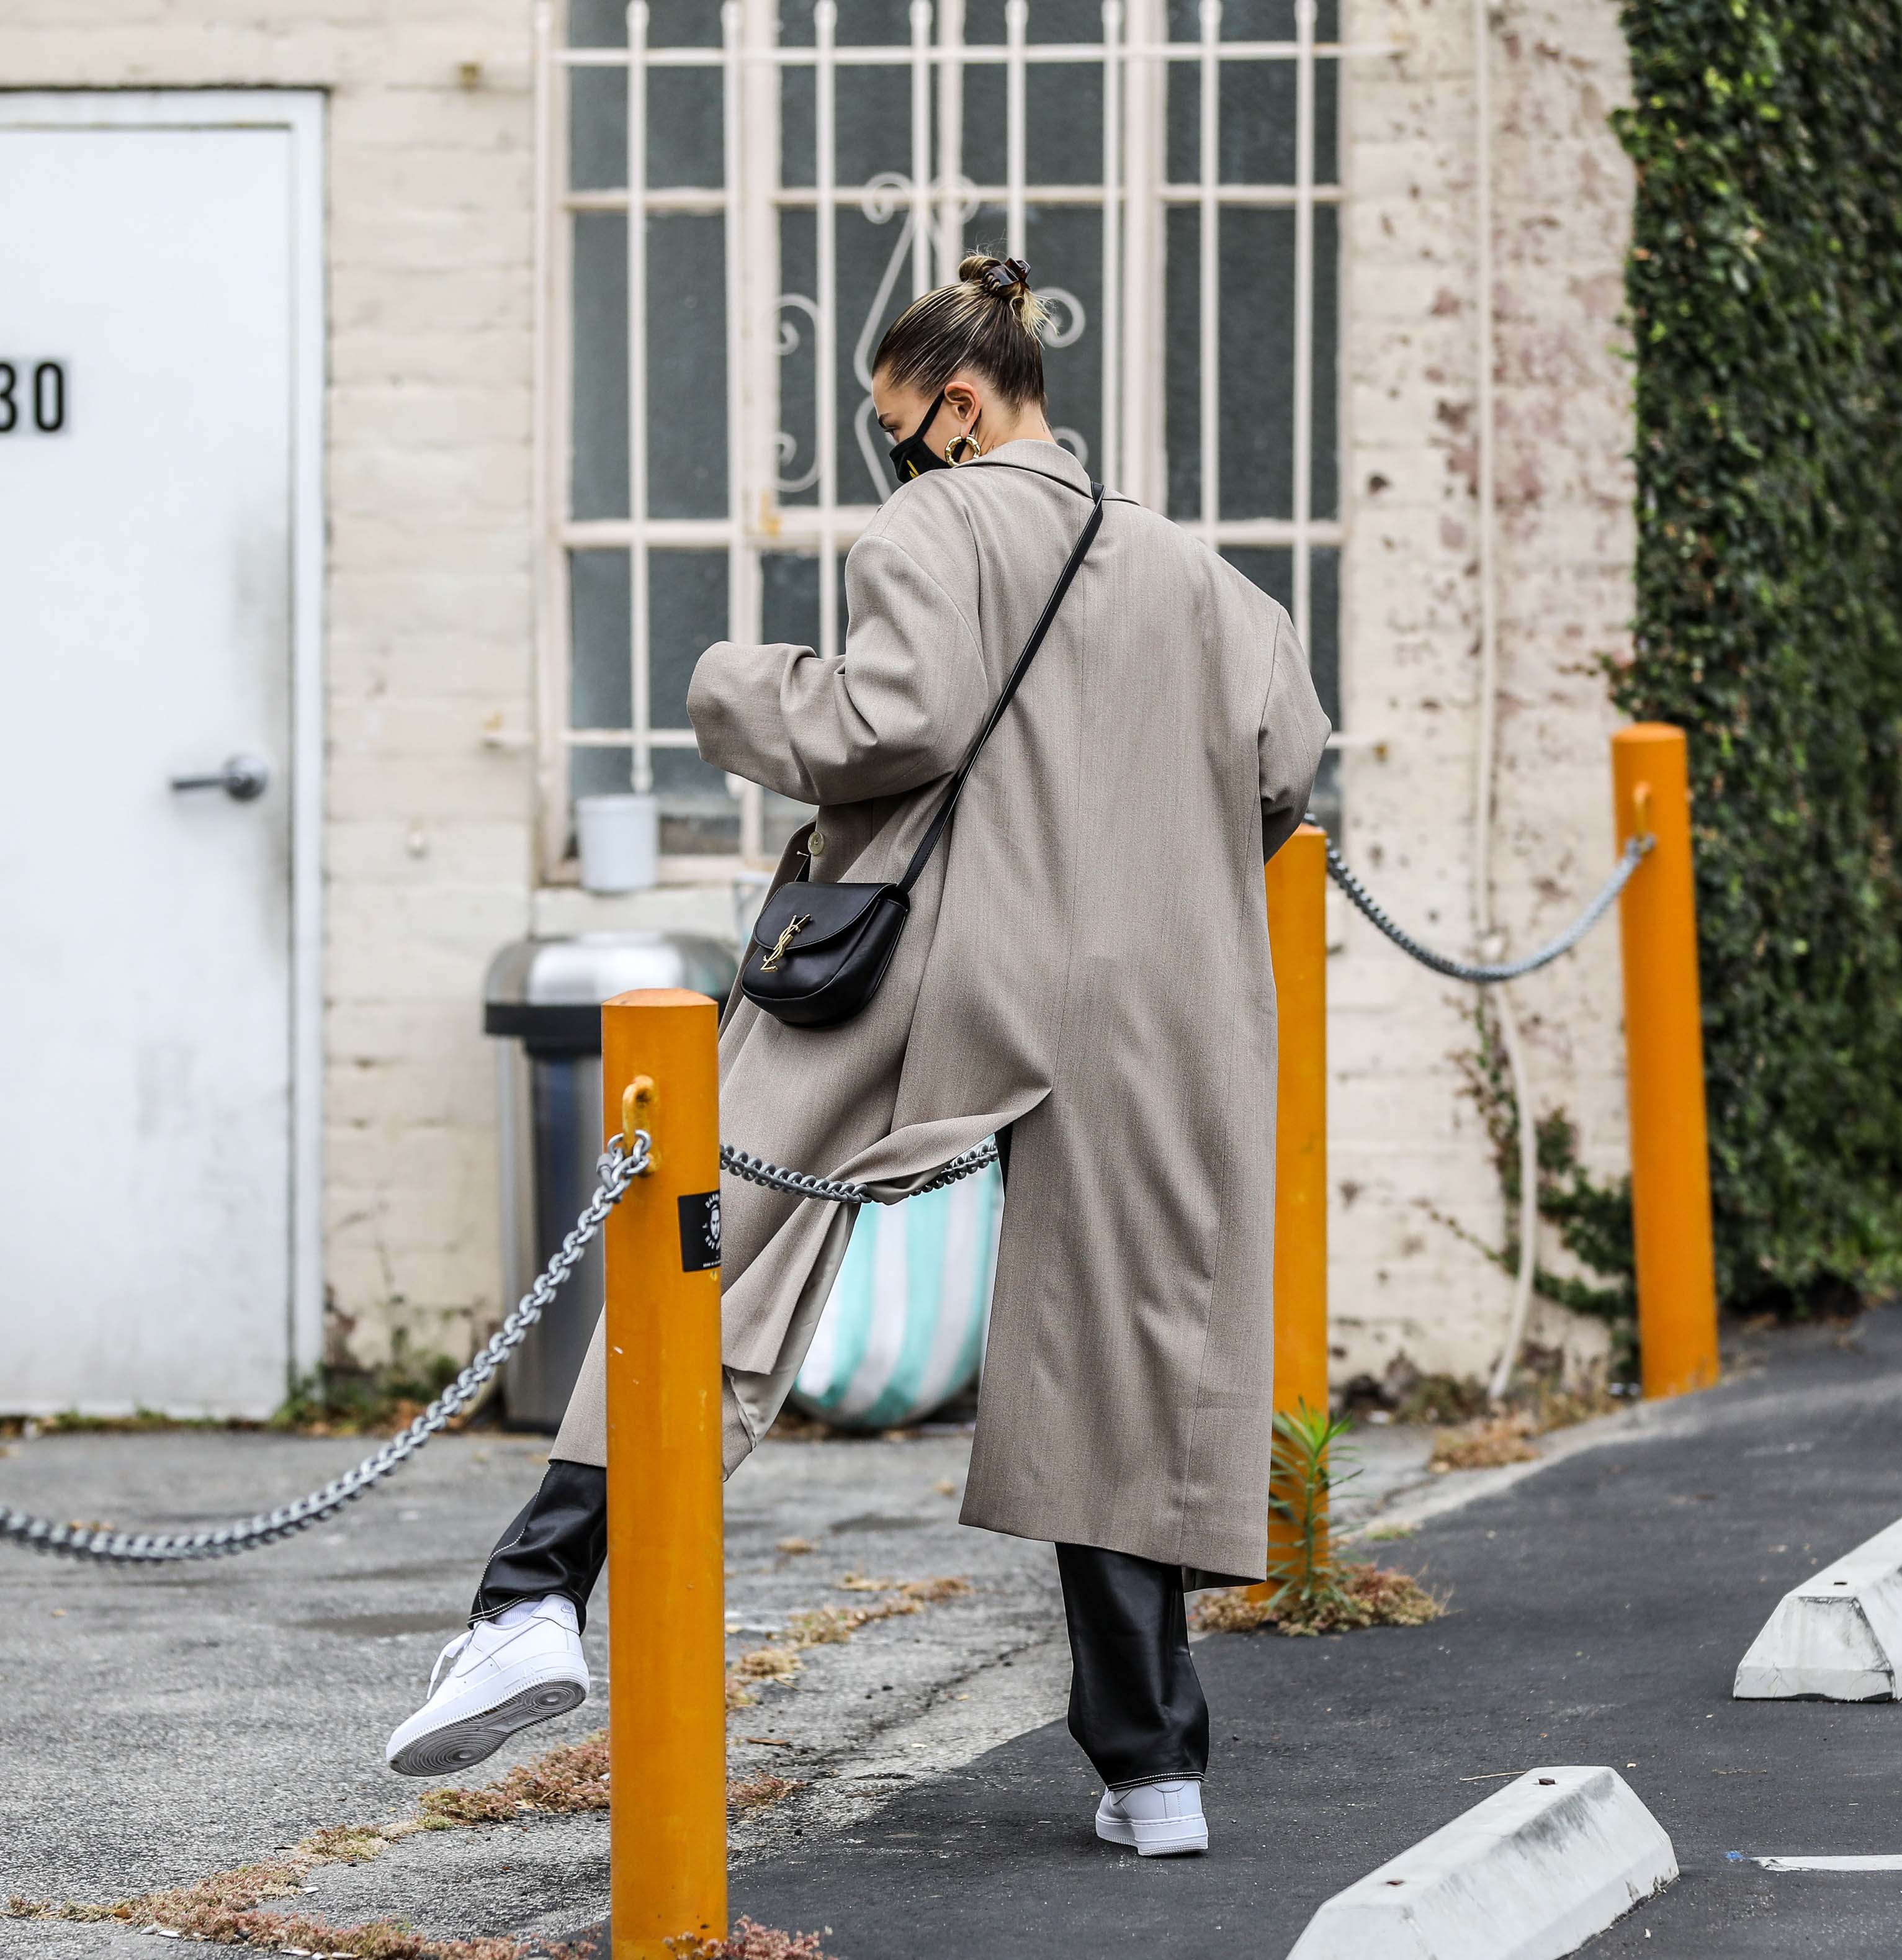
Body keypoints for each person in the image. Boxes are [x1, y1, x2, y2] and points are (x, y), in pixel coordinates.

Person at [387, 253, 1330, 1859]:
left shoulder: (931, 523)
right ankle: (1155, 1771)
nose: (893, 459)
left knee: (714, 1242)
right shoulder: (1204, 580)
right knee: (1115, 1359)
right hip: (1162, 999)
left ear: (956, 407)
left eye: (896, 428)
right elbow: (1290, 771)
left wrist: (731, 688)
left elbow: (890, 715)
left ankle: (531, 1600)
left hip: (941, 967)